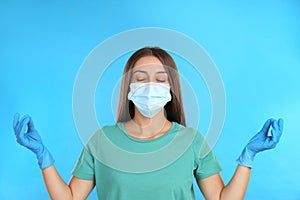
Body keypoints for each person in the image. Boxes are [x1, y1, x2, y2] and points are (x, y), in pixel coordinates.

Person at [13, 46, 284, 200]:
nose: (150, 86)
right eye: (141, 78)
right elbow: (70, 199)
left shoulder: (191, 142)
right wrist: (44, 159)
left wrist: (247, 158)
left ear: (171, 88)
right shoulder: (102, 141)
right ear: (128, 87)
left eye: (160, 79)